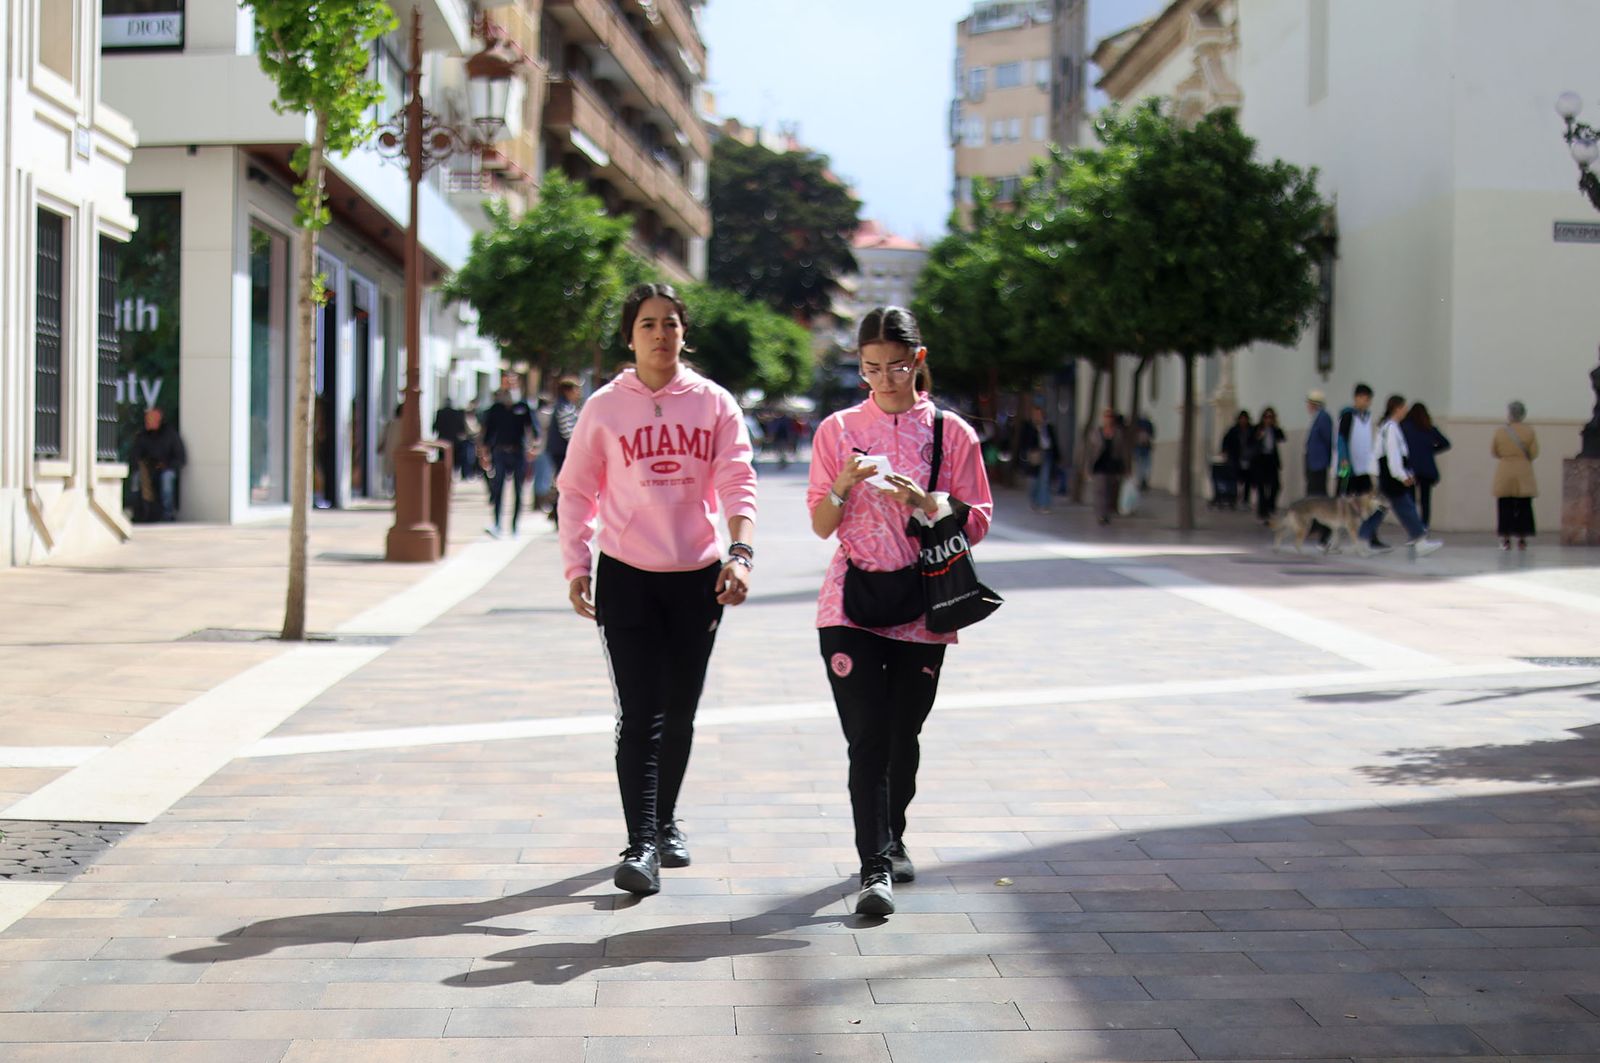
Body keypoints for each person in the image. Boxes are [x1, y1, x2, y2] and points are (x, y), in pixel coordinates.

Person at [558, 283, 757, 897]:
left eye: (671, 323)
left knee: (681, 713)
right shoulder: (604, 407)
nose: (661, 334)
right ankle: (641, 843)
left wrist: (741, 553)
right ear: (630, 336)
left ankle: (666, 819)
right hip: (626, 575)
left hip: (697, 577)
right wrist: (576, 565)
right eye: (648, 324)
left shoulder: (714, 403)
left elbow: (737, 481)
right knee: (640, 715)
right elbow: (575, 490)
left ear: (683, 333)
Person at [807, 305, 993, 917]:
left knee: (902, 734)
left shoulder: (951, 433)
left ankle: (895, 831)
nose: (883, 381)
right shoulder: (836, 430)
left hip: (920, 604)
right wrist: (843, 483)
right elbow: (820, 524)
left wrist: (928, 504)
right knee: (866, 738)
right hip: (849, 600)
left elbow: (980, 519)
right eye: (870, 369)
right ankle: (874, 868)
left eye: (894, 367)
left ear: (918, 361)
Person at [1376, 394, 1443, 557]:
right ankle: (1420, 537)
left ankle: (1419, 538)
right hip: (1398, 474)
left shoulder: (1397, 426)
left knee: (1397, 505)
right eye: (1403, 407)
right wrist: (1401, 474)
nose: (1406, 410)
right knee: (1407, 506)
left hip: (1401, 472)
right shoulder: (1393, 427)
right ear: (1397, 408)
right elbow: (1393, 455)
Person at [1336, 383, 1392, 552]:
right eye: (1363, 398)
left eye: (1368, 399)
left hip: (1364, 468)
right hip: (1348, 468)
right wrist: (1344, 460)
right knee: (1340, 501)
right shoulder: (1347, 416)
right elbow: (1341, 440)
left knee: (1371, 504)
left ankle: (1370, 536)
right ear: (1356, 398)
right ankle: (1329, 538)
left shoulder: (1367, 418)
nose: (1366, 402)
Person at [479, 386, 537, 537]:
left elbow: (533, 429)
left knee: (518, 490)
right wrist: (484, 453)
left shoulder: (523, 408)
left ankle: (514, 526)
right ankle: (497, 524)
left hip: (519, 452)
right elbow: (488, 431)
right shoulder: (496, 409)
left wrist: (533, 447)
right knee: (498, 488)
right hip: (499, 451)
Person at [1492, 400, 1539, 550]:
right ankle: (1522, 539)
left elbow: (1494, 451)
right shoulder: (1529, 431)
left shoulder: (1500, 432)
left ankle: (1505, 539)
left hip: (1505, 470)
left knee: (1505, 505)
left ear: (1509, 414)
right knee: (1524, 505)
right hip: (1524, 470)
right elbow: (1534, 452)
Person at [129, 407, 186, 521]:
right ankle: (137, 512)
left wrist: (167, 465)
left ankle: (167, 514)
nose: (147, 421)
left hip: (167, 468)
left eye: (150, 418)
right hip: (149, 470)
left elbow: (180, 457)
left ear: (158, 419)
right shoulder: (143, 435)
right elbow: (135, 455)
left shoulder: (170, 434)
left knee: (167, 479)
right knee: (136, 478)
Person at [1400, 402, 1451, 528]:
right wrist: (1431, 450)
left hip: (1411, 467)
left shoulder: (1404, 427)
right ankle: (1424, 527)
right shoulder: (1428, 427)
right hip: (1426, 468)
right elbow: (1446, 443)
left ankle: (1413, 526)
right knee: (1425, 501)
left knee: (1411, 500)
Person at [544, 378, 582, 524]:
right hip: (562, 451)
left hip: (560, 450)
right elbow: (568, 432)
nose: (577, 393)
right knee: (563, 482)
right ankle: (557, 512)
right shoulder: (564, 407)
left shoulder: (565, 406)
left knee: (561, 481)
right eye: (575, 389)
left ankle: (557, 511)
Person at [1087, 408, 1130, 525]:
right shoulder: (1096, 432)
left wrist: (1125, 468)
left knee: (1110, 492)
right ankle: (1101, 514)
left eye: (1110, 417)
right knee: (1100, 491)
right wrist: (1088, 467)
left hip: (1112, 466)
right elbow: (1090, 451)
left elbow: (1122, 452)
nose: (1108, 419)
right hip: (1099, 466)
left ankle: (1106, 513)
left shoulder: (1118, 433)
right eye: (1106, 416)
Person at [1018, 403, 1058, 513]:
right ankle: (1034, 501)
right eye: (1035, 415)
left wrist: (1057, 456)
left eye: (1040, 414)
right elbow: (1024, 442)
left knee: (1045, 480)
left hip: (1046, 454)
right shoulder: (1028, 427)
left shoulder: (1048, 427)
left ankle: (1044, 504)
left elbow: (1054, 442)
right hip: (1034, 455)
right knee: (1033, 481)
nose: (1038, 417)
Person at [1252, 407, 1285, 522]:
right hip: (1260, 461)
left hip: (1271, 460)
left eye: (1270, 417)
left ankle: (1270, 506)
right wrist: (1258, 437)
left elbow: (1282, 437)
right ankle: (1262, 510)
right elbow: (1250, 441)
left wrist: (1274, 426)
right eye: (1266, 417)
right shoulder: (1257, 429)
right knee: (1261, 487)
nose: (1268, 419)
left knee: (1276, 485)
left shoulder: (1274, 430)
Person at [1221, 412, 1254, 509]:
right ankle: (1234, 498)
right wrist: (1225, 451)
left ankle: (1245, 500)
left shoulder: (1251, 430)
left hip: (1248, 459)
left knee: (1248, 480)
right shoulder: (1233, 430)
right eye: (1241, 419)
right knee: (1236, 479)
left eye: (1245, 419)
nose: (1243, 421)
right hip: (1236, 458)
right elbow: (1226, 440)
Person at [1304, 389, 1334, 497]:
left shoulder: (1323, 417)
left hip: (1319, 463)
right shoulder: (1315, 418)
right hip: (1313, 462)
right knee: (1312, 491)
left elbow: (1328, 439)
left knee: (1318, 492)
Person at [432, 398, 469, 481]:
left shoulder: (440, 413)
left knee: (443, 461)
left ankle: (445, 478)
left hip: (442, 442)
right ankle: (451, 477)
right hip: (454, 442)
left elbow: (434, 428)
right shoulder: (457, 413)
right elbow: (462, 429)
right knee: (454, 462)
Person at [1134, 414, 1155, 491]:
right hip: (1146, 447)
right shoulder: (1148, 424)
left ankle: (1141, 481)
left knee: (1139, 465)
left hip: (1139, 447)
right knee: (1146, 466)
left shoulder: (1137, 423)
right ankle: (1143, 481)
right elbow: (1152, 434)